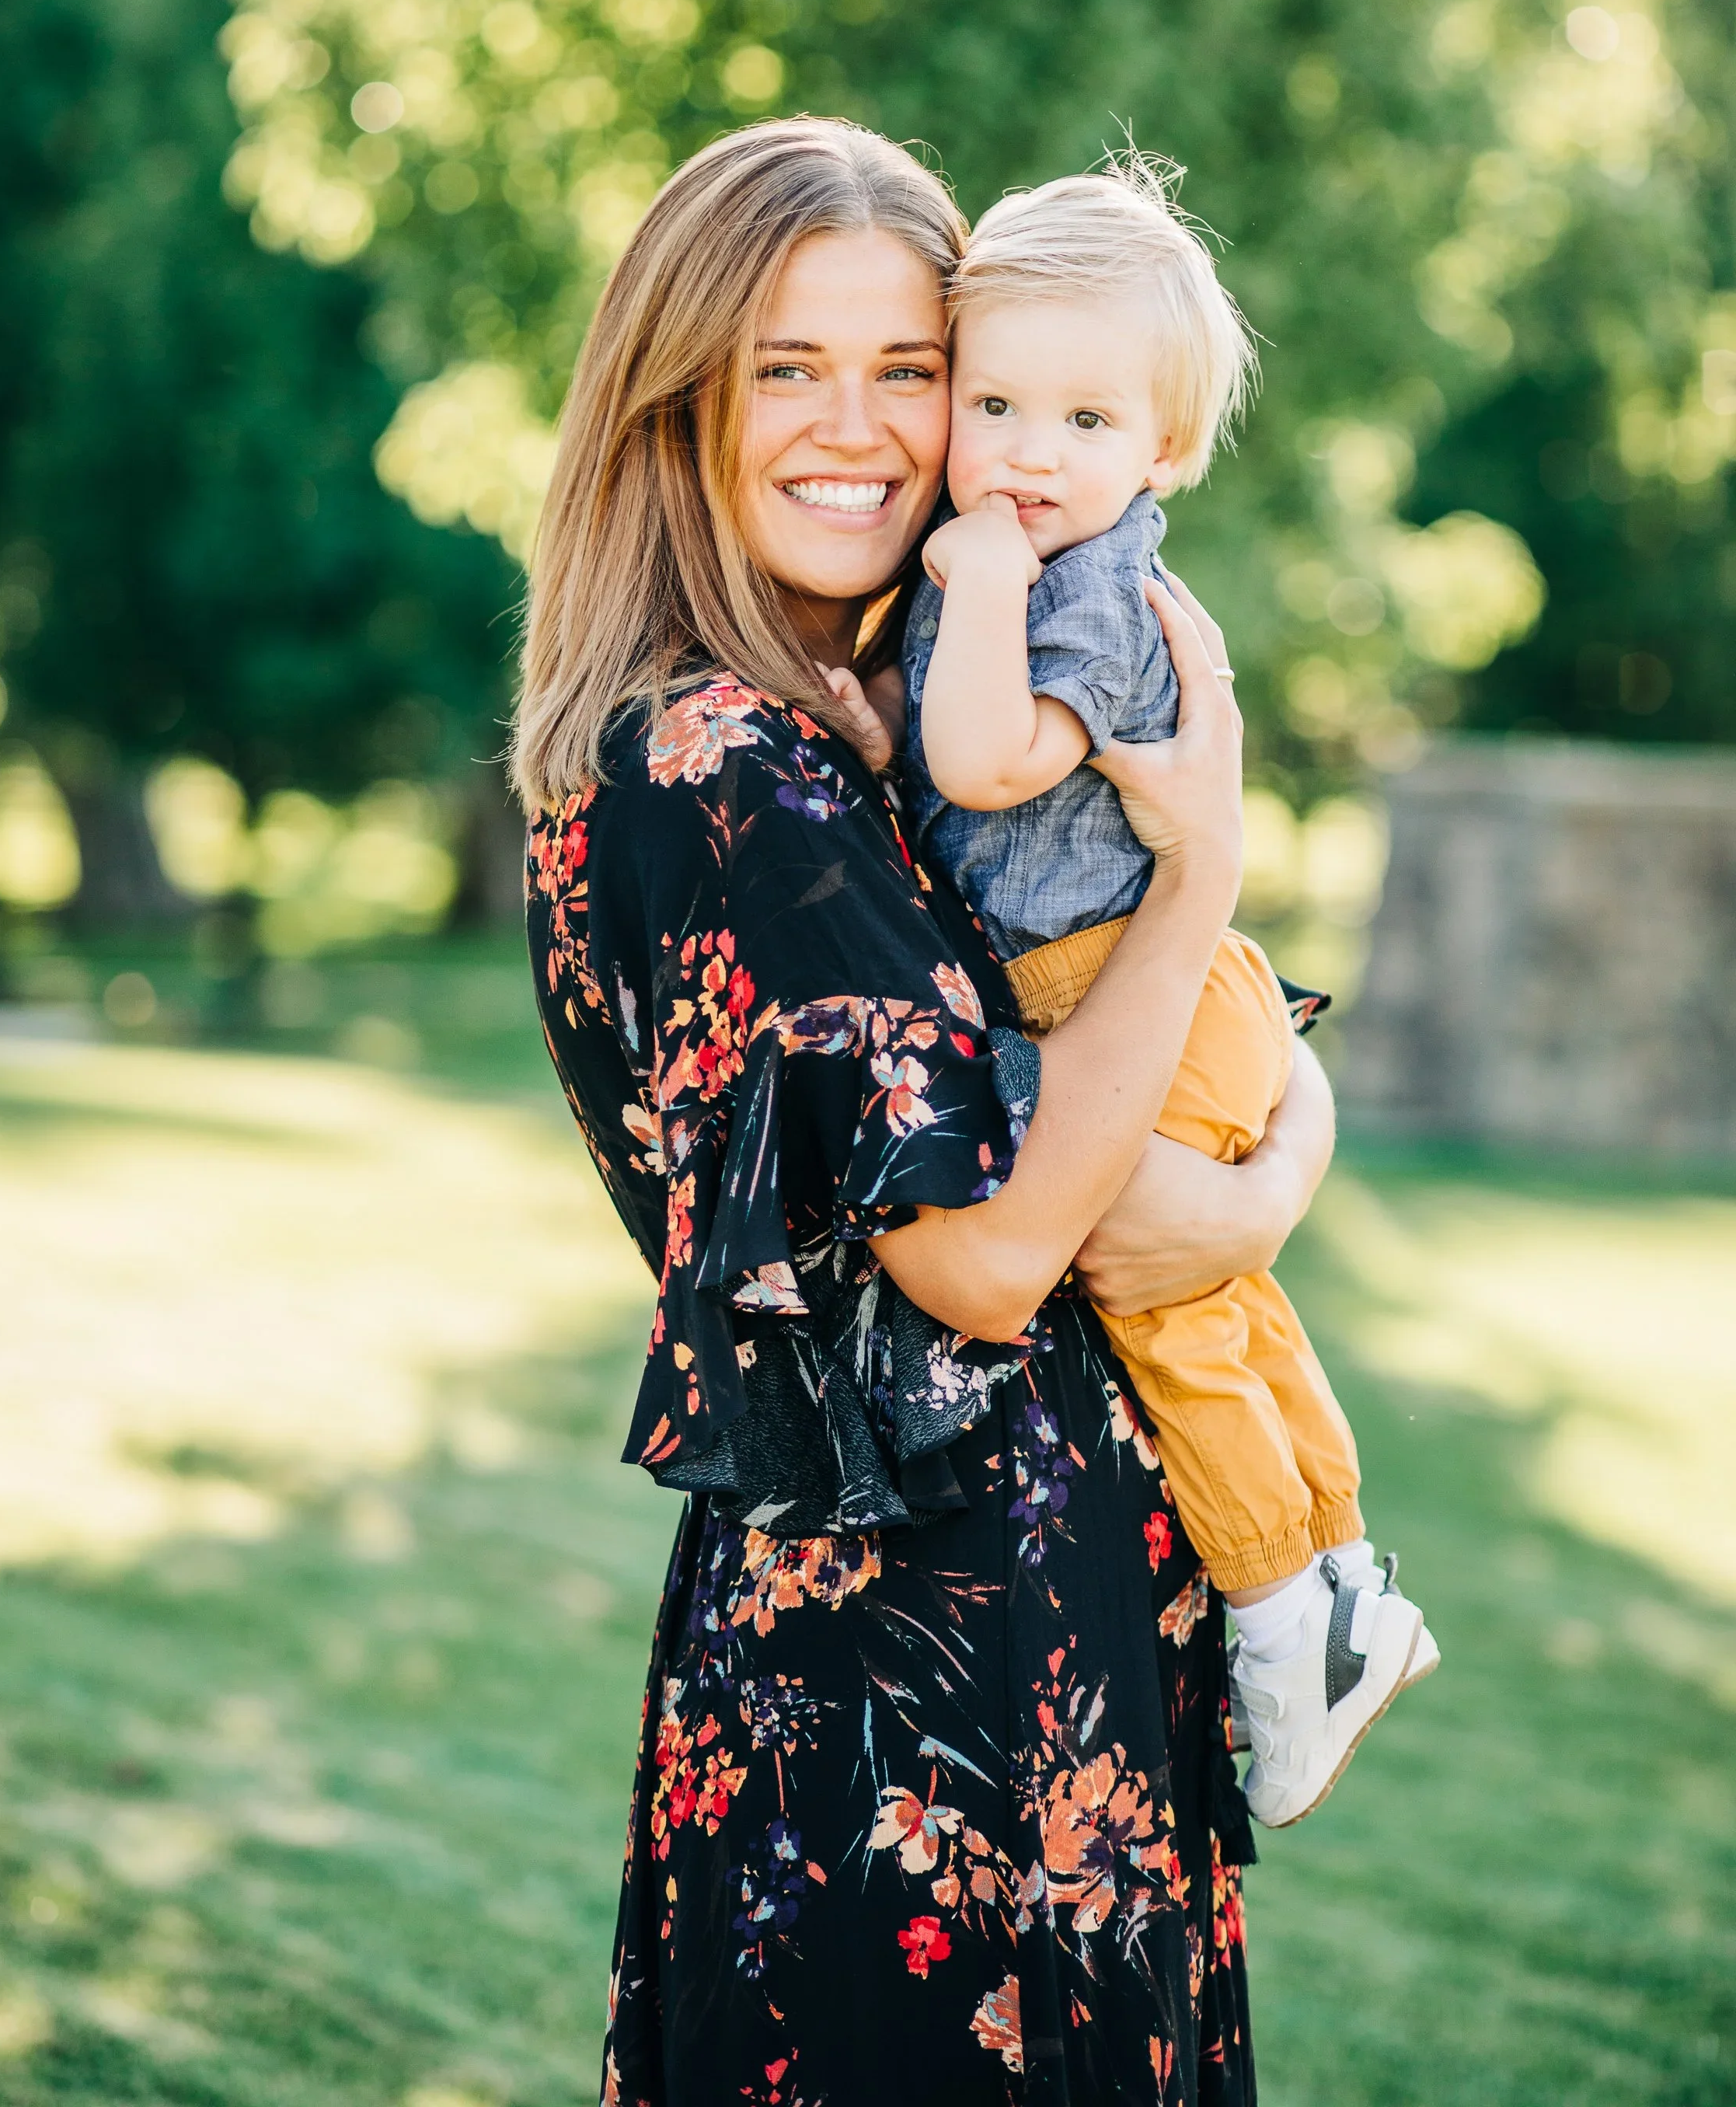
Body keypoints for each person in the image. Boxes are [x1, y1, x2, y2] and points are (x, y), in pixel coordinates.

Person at [516, 117, 1337, 2105]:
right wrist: (1206, 871)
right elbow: (982, 1260)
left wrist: (1272, 1169)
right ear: (673, 393)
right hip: (908, 1711)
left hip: (1027, 1652)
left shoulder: (858, 730)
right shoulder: (724, 764)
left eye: (911, 371)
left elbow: (1174, 1093)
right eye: (786, 367)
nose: (864, 430)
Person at [898, 157, 1436, 1833]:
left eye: (1084, 420)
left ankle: (1286, 1609)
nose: (1028, 455)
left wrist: (976, 587)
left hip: (1113, 981)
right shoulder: (1042, 553)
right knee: (1226, 1304)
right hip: (1163, 976)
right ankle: (1339, 1570)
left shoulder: (1081, 594)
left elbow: (989, 763)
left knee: (1166, 1303)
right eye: (994, 403)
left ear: (1166, 452)